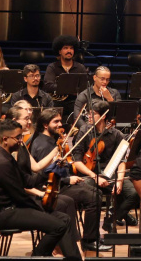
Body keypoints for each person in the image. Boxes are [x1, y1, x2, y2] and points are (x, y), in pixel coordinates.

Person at [0, 118, 82, 261]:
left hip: (16, 208)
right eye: (18, 138)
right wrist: (40, 209)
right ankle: (37, 256)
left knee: (65, 219)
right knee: (58, 226)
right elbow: (19, 196)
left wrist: (49, 171)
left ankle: (74, 259)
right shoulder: (2, 163)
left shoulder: (7, 157)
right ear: (5, 139)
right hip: (8, 213)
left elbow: (28, 181)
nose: (21, 141)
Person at [28, 108, 105, 252]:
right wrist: (68, 179)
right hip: (53, 187)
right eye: (55, 121)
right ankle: (89, 240)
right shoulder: (43, 145)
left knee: (97, 193)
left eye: (60, 121)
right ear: (45, 125)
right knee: (93, 197)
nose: (60, 124)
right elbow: (46, 173)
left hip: (61, 183)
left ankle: (91, 235)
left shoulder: (51, 140)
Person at [70, 100, 138, 234]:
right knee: (94, 195)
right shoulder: (84, 131)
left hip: (110, 173)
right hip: (89, 174)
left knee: (133, 194)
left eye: (93, 114)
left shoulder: (116, 134)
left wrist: (119, 180)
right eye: (88, 113)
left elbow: (121, 160)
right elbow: (77, 162)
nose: (89, 117)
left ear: (103, 116)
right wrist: (95, 177)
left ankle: (111, 219)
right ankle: (91, 234)